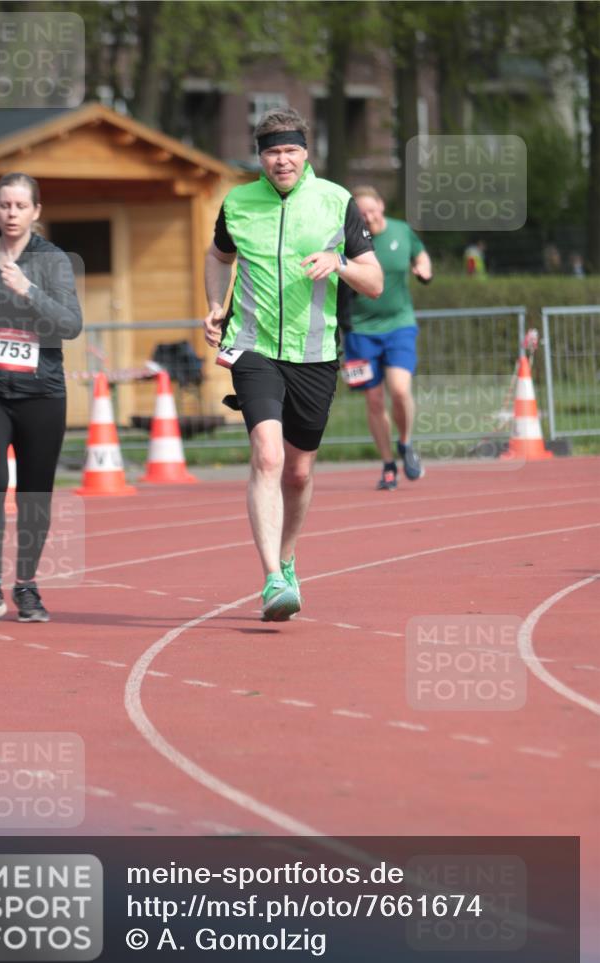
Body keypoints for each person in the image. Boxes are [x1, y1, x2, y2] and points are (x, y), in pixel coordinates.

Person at [203, 107, 383, 621]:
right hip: (252, 344)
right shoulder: (237, 203)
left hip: (315, 353)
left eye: (289, 150)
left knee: (299, 473)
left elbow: (374, 281)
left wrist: (340, 262)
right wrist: (216, 305)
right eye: (271, 151)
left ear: (306, 152)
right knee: (267, 453)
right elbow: (219, 257)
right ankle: (272, 579)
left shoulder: (336, 202)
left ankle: (287, 557)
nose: (281, 160)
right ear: (260, 157)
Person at [0, 172, 83, 623]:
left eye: (21, 206)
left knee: (34, 493)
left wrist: (29, 290)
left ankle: (26, 585)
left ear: (36, 212)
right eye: (4, 205)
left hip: (40, 390)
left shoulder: (53, 260)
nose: (11, 213)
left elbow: (70, 324)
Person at [341, 186, 432, 491]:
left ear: (381, 205)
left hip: (399, 326)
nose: (368, 216)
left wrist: (423, 268)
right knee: (374, 398)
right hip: (360, 332)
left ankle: (405, 444)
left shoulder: (401, 230)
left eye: (371, 209)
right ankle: (388, 465)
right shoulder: (348, 239)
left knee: (399, 388)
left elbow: (421, 255)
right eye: (361, 212)